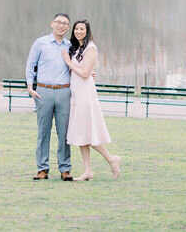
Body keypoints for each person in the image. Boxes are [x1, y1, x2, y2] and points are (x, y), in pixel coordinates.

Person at [62, 20, 121, 181]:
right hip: (76, 94)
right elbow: (79, 70)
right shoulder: (76, 48)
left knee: (89, 133)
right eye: (76, 29)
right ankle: (88, 171)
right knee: (82, 133)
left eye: (82, 29)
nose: (78, 31)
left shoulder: (91, 48)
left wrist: (68, 62)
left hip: (85, 95)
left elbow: (85, 73)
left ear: (87, 31)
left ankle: (111, 159)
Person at [25, 13, 73, 181]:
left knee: (64, 132)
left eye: (65, 23)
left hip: (64, 92)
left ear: (68, 27)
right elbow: (31, 65)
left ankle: (65, 169)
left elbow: (79, 65)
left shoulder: (71, 45)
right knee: (43, 132)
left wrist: (91, 74)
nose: (61, 26)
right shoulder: (40, 43)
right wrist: (30, 87)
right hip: (43, 91)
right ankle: (42, 169)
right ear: (52, 23)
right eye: (58, 22)